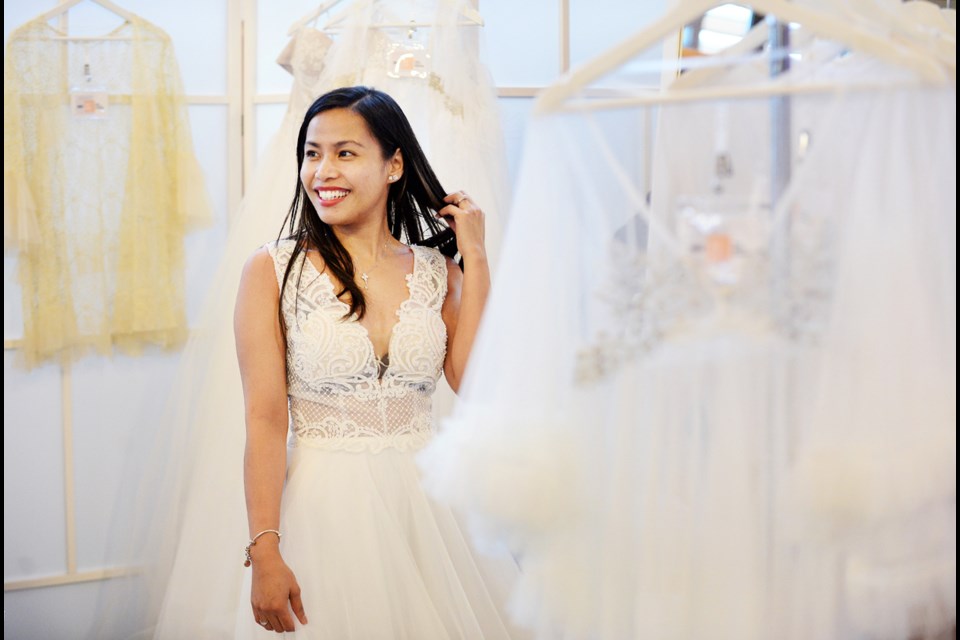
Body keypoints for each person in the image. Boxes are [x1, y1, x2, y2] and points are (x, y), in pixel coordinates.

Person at [232, 85, 523, 639]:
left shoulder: (441, 271)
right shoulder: (271, 271)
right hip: (324, 511)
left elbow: (473, 383)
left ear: (393, 165)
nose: (322, 172)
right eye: (312, 153)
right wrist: (264, 549)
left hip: (430, 513)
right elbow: (265, 421)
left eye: (345, 153)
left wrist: (477, 258)